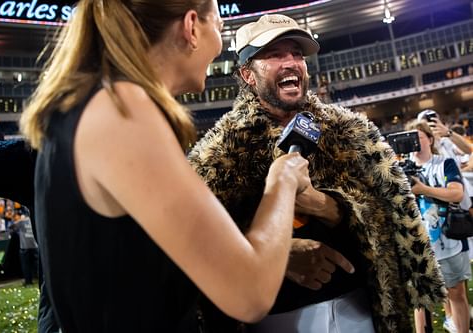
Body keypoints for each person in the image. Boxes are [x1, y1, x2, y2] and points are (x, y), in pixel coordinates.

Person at [19, 1, 310, 332]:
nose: (219, 44)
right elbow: (250, 292)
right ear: (191, 27)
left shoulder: (95, 105)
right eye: (218, 25)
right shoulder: (121, 110)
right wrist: (283, 178)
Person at [188, 13, 445, 332]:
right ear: (248, 74)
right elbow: (197, 246)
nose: (291, 62)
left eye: (296, 53)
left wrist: (325, 205)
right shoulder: (220, 152)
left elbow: (394, 223)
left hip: (361, 310)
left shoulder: (352, 132)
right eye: (274, 54)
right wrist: (275, 256)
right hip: (275, 321)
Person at [406, 120, 471, 333]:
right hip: (416, 243)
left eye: (418, 137)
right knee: (421, 300)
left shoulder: (444, 163)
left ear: (430, 139)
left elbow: (457, 193)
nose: (413, 143)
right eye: (409, 138)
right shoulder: (398, 169)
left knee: (456, 292)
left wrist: (423, 189)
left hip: (448, 239)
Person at [12, 211, 38, 286]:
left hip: (25, 247)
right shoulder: (34, 219)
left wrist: (20, 220)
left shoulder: (21, 221)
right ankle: (36, 279)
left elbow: (12, 226)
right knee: (36, 264)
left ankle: (28, 281)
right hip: (34, 246)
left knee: (26, 265)